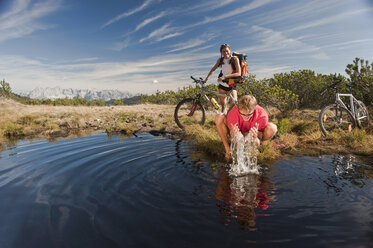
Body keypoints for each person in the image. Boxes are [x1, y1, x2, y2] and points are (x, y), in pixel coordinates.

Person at [215, 95, 277, 160]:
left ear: (254, 109)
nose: (246, 117)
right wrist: (234, 135)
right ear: (238, 109)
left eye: (249, 114)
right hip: (239, 131)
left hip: (253, 133)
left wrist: (255, 138)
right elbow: (233, 137)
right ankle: (227, 150)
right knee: (219, 117)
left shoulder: (262, 115)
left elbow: (259, 136)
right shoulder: (233, 112)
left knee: (272, 128)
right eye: (243, 114)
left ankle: (257, 147)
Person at [204, 43, 241, 113]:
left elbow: (238, 73)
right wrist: (206, 78)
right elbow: (213, 69)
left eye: (227, 51)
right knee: (223, 105)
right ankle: (224, 120)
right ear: (221, 52)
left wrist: (225, 77)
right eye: (223, 51)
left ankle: (233, 120)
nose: (225, 53)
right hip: (222, 85)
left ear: (230, 50)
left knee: (233, 104)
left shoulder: (235, 59)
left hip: (231, 84)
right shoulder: (220, 60)